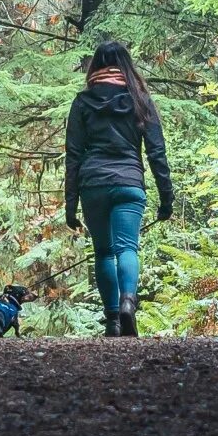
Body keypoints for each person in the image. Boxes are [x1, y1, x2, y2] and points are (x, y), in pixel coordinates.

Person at [63, 39, 173, 337]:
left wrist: (70, 205)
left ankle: (112, 319)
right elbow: (156, 152)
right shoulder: (140, 99)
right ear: (127, 65)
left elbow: (73, 155)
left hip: (93, 185)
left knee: (103, 252)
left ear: (94, 66)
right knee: (127, 247)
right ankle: (128, 302)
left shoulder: (83, 102)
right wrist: (166, 199)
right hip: (129, 182)